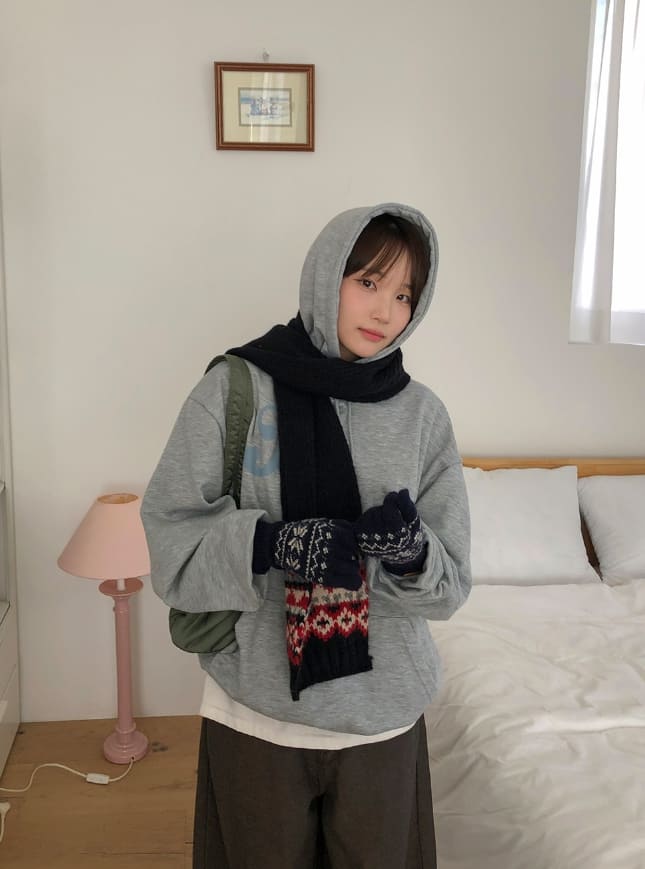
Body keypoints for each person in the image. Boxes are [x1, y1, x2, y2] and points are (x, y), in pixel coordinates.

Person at [141, 202, 471, 869]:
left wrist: (410, 554)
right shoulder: (233, 389)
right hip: (256, 715)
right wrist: (270, 545)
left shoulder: (423, 417)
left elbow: (450, 585)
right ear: (327, 275)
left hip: (381, 721)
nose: (384, 311)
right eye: (368, 281)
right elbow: (171, 543)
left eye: (403, 294)